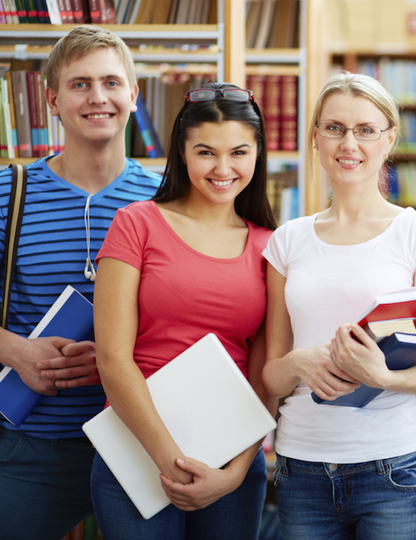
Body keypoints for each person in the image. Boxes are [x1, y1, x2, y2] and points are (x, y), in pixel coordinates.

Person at [262, 72, 416, 539]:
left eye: (365, 130)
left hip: (392, 467)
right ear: (315, 137)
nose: (349, 143)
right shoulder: (287, 240)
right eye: (334, 128)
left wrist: (380, 376)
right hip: (300, 467)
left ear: (388, 139)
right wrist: (299, 363)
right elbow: (270, 375)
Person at [91, 82, 276, 539]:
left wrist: (233, 473)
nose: (223, 168)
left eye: (239, 152)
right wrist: (171, 460)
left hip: (233, 456)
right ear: (182, 151)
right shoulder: (137, 223)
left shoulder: (271, 246)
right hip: (137, 450)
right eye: (205, 152)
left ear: (258, 154)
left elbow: (265, 369)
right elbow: (112, 357)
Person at [0, 25, 162, 540]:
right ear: (52, 99)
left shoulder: (166, 200)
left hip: (140, 442)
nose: (98, 98)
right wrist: (15, 351)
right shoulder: (10, 191)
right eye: (80, 84)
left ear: (133, 96)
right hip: (30, 448)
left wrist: (118, 357)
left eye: (112, 83)